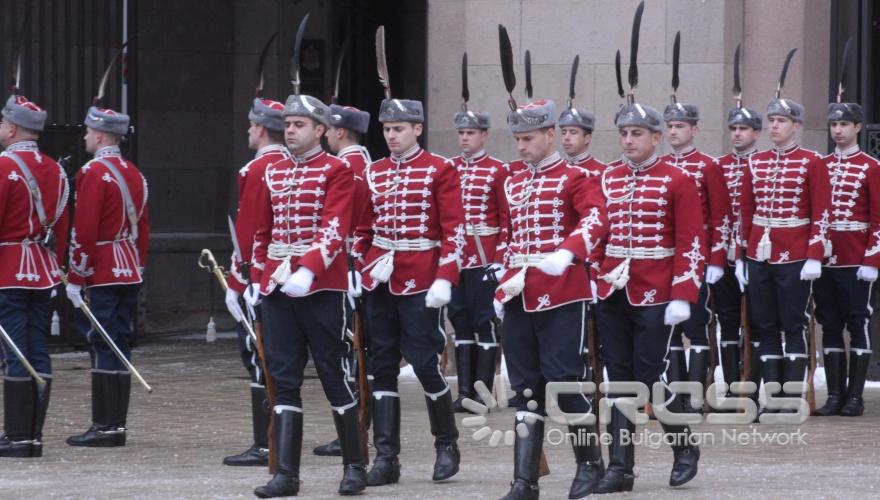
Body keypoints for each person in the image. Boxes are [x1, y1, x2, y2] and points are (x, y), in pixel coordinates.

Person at [246, 92, 366, 497]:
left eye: (300, 125)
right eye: (288, 124)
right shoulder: (273, 171)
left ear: (321, 130)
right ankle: (285, 474)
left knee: (333, 373)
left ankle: (354, 465)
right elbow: (263, 232)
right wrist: (257, 278)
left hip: (320, 288)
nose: (291, 131)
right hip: (279, 286)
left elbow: (335, 228)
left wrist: (309, 269)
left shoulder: (337, 170)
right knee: (283, 378)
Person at [494, 98, 608, 499]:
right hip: (518, 292)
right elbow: (507, 235)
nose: (521, 146)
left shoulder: (574, 178)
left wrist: (569, 250)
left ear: (549, 135)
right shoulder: (512, 181)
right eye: (517, 139)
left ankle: (590, 464)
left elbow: (597, 218)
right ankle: (524, 479)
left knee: (563, 380)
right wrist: (501, 278)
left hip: (561, 292)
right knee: (525, 388)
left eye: (528, 138)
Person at [352, 97, 466, 486]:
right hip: (380, 277)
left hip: (421, 276)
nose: (392, 136)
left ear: (417, 129)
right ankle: (387, 457)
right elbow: (363, 230)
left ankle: (446, 443)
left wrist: (444, 277)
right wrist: (357, 266)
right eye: (387, 129)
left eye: (399, 128)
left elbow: (455, 231)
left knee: (422, 360)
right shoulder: (374, 172)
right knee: (381, 363)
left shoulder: (440, 169)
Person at [594, 101, 703, 492]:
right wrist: (594, 276)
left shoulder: (677, 180)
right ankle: (620, 468)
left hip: (657, 289)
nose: (628, 140)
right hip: (612, 288)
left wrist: (683, 293)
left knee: (649, 374)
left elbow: (691, 240)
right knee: (617, 378)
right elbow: (597, 233)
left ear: (656, 138)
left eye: (636, 133)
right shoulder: (607, 178)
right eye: (623, 133)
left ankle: (684, 447)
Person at [66, 105, 149, 448]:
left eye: (88, 131)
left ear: (99, 135)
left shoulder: (93, 172)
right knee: (119, 341)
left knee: (101, 343)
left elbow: (84, 229)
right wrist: (138, 265)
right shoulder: (134, 173)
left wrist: (76, 274)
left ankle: (104, 426)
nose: (85, 137)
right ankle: (116, 424)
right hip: (128, 266)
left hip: (100, 266)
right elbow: (143, 227)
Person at [0, 94, 68, 458]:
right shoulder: (55, 169)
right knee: (37, 349)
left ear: (11, 127)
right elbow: (62, 222)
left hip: (9, 268)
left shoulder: (3, 166)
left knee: (14, 350)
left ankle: (17, 437)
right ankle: (33, 434)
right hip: (42, 270)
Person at [222, 98, 288, 466]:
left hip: (260, 275)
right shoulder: (290, 166)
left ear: (261, 128)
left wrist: (236, 282)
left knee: (258, 355)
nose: (248, 131)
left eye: (251, 125)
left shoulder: (256, 169)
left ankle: (266, 444)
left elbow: (247, 233)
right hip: (285, 274)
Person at [661, 102, 731, 413]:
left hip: (695, 255)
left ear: (694, 130)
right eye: (670, 126)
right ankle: (675, 395)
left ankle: (695, 395)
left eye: (680, 126)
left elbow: (721, 217)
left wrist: (715, 259)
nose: (674, 131)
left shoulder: (708, 165)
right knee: (670, 327)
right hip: (664, 256)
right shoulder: (660, 164)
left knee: (696, 325)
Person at [812, 100, 880, 417]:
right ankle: (835, 394)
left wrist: (872, 259)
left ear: (857, 127)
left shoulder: (870, 166)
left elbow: (878, 218)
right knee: (829, 323)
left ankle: (855, 396)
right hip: (825, 257)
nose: (838, 130)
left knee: (857, 321)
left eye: (844, 125)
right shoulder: (820, 165)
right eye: (834, 125)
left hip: (856, 256)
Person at [447, 108, 508, 413]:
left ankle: (483, 394)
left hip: (484, 259)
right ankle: (465, 391)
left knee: (484, 324)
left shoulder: (498, 170)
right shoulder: (449, 168)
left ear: (484, 135)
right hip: (456, 260)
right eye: (461, 133)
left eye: (470, 133)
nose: (465, 138)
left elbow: (506, 219)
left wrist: (499, 259)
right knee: (460, 323)